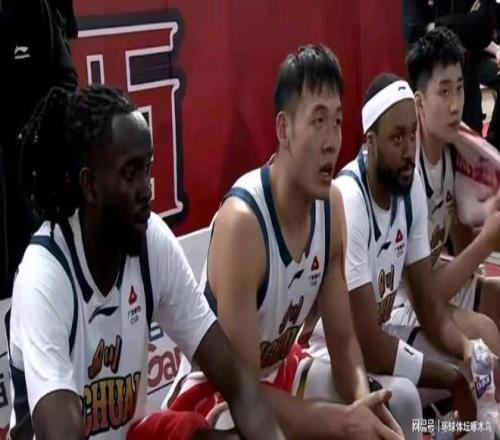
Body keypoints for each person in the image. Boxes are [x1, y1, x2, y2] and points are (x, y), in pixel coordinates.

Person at [8, 85, 284, 440]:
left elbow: (237, 382)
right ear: (90, 185)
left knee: (201, 432)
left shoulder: (151, 239)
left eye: (147, 167)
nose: (146, 189)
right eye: (130, 173)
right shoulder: (45, 274)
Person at [167, 44, 411, 440]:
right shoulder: (242, 224)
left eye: (337, 121)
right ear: (284, 129)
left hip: (281, 373)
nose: (332, 141)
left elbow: (343, 339)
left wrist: (363, 403)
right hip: (219, 398)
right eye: (318, 121)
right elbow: (245, 393)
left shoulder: (331, 205)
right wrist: (345, 423)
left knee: (400, 402)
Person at [304, 72, 477, 437]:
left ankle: (436, 431)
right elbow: (366, 341)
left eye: (413, 134)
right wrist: (448, 378)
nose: (409, 149)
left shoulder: (409, 185)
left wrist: (466, 348)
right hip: (333, 357)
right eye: (397, 138)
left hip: (379, 343)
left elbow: (428, 305)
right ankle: (427, 430)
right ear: (370, 142)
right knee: (405, 398)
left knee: (472, 368)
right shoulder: (349, 199)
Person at [391, 28, 500, 364]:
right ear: (419, 103)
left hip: (431, 282)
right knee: (483, 332)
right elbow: (427, 299)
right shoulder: (406, 171)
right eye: (444, 91)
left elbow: (460, 230)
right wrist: (488, 241)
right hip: (396, 305)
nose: (455, 105)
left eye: (460, 88)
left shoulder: (456, 147)